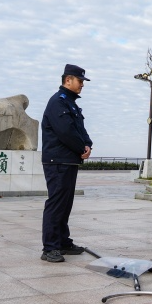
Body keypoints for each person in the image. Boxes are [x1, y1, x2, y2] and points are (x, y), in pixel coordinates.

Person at [40, 64, 93, 263]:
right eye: (80, 81)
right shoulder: (58, 102)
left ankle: (63, 241)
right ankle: (50, 248)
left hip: (68, 161)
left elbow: (79, 129)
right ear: (68, 80)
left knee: (65, 204)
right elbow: (65, 132)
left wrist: (87, 144)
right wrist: (81, 148)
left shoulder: (71, 104)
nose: (82, 85)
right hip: (58, 161)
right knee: (56, 204)